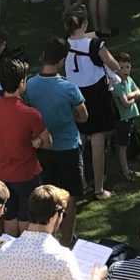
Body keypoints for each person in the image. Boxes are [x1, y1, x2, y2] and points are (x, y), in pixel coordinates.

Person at [62, 10, 124, 198]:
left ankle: (81, 183)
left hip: (75, 94)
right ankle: (99, 188)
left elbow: (78, 38)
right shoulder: (96, 45)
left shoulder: (65, 44)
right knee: (97, 141)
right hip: (96, 94)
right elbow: (115, 66)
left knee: (79, 140)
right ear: (85, 24)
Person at [0, 59, 51, 231]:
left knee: (10, 218)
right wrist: (36, 141)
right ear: (21, 82)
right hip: (27, 174)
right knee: (27, 220)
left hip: (3, 173)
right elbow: (48, 142)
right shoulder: (31, 114)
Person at [25, 38, 87, 200]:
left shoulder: (30, 85)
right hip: (68, 148)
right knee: (70, 196)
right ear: (62, 61)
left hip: (43, 148)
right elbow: (84, 116)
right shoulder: (68, 88)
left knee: (46, 197)